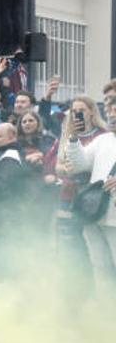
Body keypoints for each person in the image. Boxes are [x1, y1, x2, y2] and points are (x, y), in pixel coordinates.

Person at [64, 108, 116, 295]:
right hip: (95, 214)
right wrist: (73, 139)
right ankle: (105, 314)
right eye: (110, 110)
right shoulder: (104, 139)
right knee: (100, 268)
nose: (111, 114)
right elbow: (80, 164)